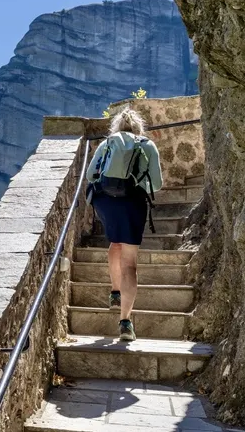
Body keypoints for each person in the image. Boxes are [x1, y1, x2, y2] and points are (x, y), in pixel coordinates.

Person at [85, 108, 163, 342]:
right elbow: (156, 185)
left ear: (116, 127)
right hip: (133, 204)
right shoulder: (146, 145)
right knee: (130, 264)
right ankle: (125, 323)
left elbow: (91, 175)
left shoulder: (107, 143)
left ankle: (115, 291)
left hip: (106, 202)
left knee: (114, 243)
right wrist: (136, 187)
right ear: (139, 127)